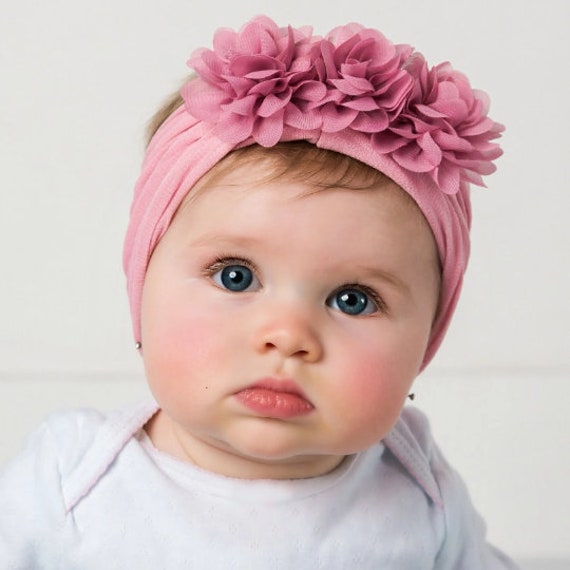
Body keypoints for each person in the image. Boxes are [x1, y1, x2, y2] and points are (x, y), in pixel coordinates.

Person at [0, 15, 518, 569]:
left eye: (353, 299)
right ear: (142, 286)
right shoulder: (70, 481)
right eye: (235, 276)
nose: (288, 337)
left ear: (428, 338)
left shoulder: (420, 491)